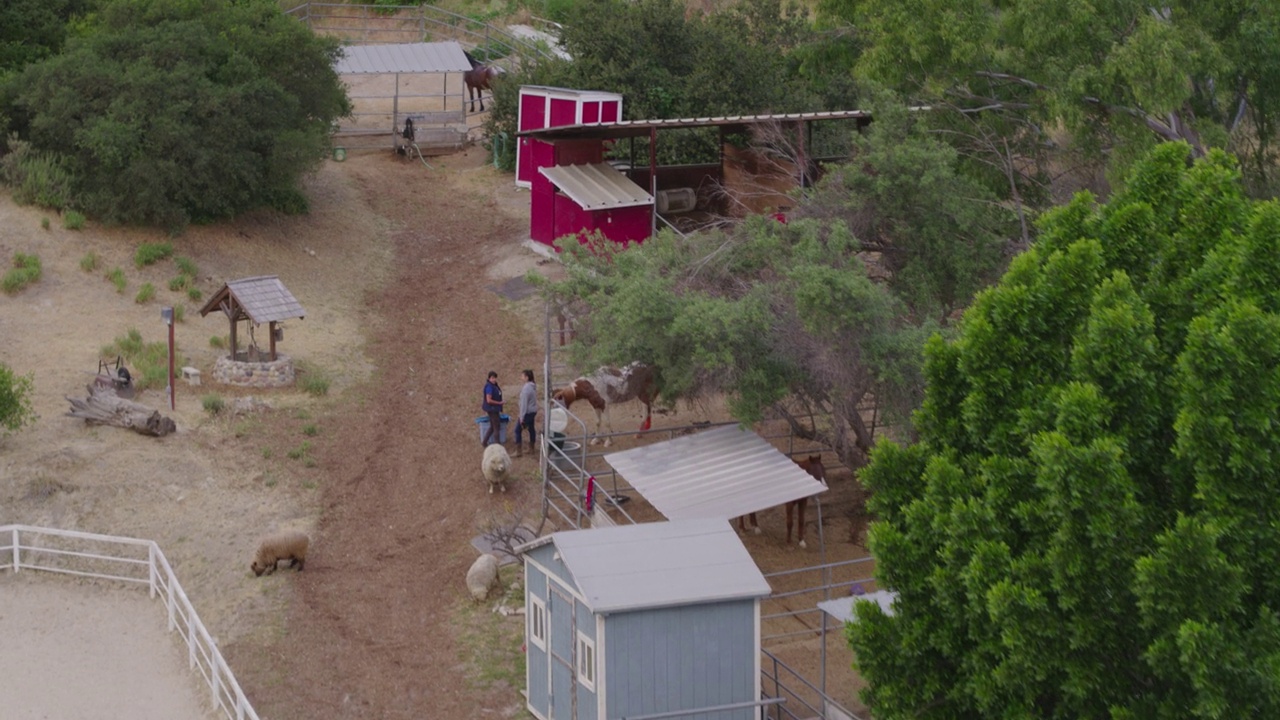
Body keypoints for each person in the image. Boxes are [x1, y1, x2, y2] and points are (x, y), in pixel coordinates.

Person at [514, 369, 538, 457]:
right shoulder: (532, 386)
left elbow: (524, 404)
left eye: (522, 376)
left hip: (527, 412)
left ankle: (518, 451)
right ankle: (532, 448)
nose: (521, 378)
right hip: (533, 411)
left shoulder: (526, 389)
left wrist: (521, 417)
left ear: (527, 377)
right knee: (531, 429)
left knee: (517, 430)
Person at [481, 371, 503, 446]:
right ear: (489, 378)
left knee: (492, 426)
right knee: (496, 427)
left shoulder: (493, 386)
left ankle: (484, 442)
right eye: (492, 378)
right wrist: (499, 403)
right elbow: (489, 400)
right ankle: (497, 445)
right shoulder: (489, 387)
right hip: (492, 409)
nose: (494, 380)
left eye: (495, 378)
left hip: (494, 409)